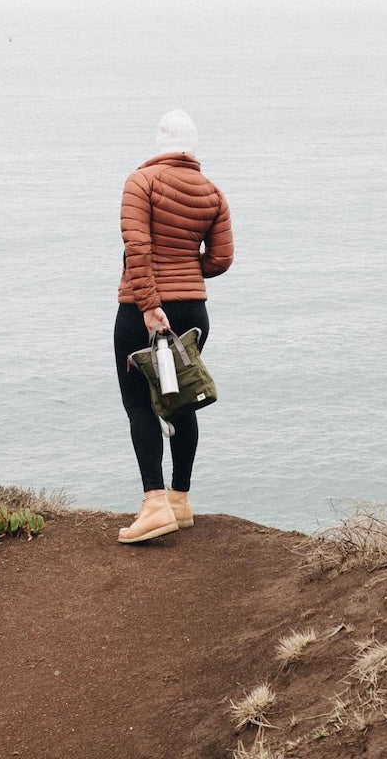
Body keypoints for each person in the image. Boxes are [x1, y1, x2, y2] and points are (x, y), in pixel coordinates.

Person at [113, 109, 234, 543]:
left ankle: (154, 505)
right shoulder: (213, 192)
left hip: (143, 310)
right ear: (193, 145)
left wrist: (149, 303)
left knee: (139, 405)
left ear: (159, 142)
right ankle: (180, 501)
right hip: (193, 311)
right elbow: (220, 259)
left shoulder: (140, 182)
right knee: (182, 400)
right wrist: (185, 270)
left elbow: (137, 247)